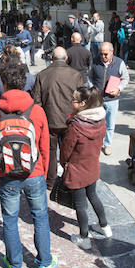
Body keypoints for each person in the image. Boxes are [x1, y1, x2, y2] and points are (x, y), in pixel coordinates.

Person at [0, 63, 57, 268]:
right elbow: (45, 146)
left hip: (7, 174)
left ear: (3, 84)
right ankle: (44, 263)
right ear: (25, 83)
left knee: (9, 219)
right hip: (34, 172)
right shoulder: (36, 110)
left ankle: (15, 264)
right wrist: (43, 173)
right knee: (40, 217)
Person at [59, 85, 110, 250]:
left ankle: (84, 237)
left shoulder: (76, 126)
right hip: (93, 165)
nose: (71, 101)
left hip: (77, 169)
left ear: (82, 104)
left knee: (80, 204)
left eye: (74, 99)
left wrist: (63, 164)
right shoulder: (101, 119)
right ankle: (105, 226)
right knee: (93, 195)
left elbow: (66, 150)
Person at [30, 46, 85, 189]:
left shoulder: (42, 75)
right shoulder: (76, 75)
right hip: (70, 121)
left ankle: (51, 181)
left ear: (51, 58)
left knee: (50, 153)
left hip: (50, 121)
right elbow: (82, 101)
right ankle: (71, 180)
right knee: (71, 153)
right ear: (66, 59)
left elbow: (36, 102)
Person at [89, 42, 129, 156]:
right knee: (96, 123)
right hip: (98, 99)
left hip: (112, 100)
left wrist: (119, 88)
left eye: (106, 54)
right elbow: (89, 76)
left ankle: (107, 144)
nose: (103, 57)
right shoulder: (95, 61)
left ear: (112, 52)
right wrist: (92, 87)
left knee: (110, 124)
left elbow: (125, 78)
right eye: (101, 54)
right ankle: (96, 143)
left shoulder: (119, 63)